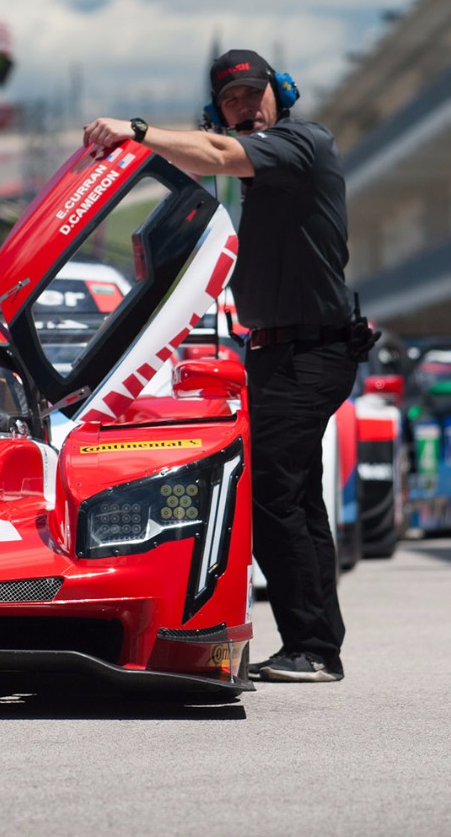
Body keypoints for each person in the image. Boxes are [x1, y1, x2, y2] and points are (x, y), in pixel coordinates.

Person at [81, 49, 357, 684]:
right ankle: (318, 642)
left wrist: (139, 131)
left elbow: (222, 156)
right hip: (283, 351)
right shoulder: (263, 170)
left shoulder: (298, 143)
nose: (246, 107)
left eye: (255, 94)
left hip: (310, 350)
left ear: (278, 94)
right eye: (233, 101)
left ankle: (312, 647)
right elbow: (214, 156)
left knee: (274, 498)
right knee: (296, 499)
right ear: (219, 110)